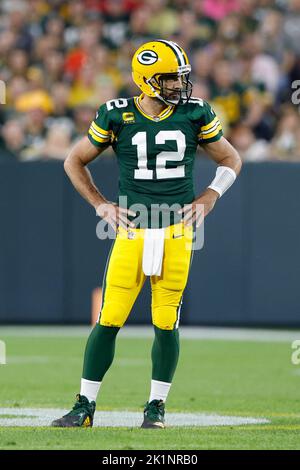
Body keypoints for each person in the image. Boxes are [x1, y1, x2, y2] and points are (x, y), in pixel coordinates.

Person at [51, 40, 242, 429]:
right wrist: (100, 203)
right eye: (170, 77)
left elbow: (230, 158)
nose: (178, 84)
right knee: (109, 319)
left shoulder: (194, 112)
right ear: (146, 79)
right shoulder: (116, 114)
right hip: (133, 232)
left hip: (176, 232)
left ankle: (156, 406)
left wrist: (210, 196)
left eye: (180, 76)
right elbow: (74, 160)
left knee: (166, 321)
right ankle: (85, 405)